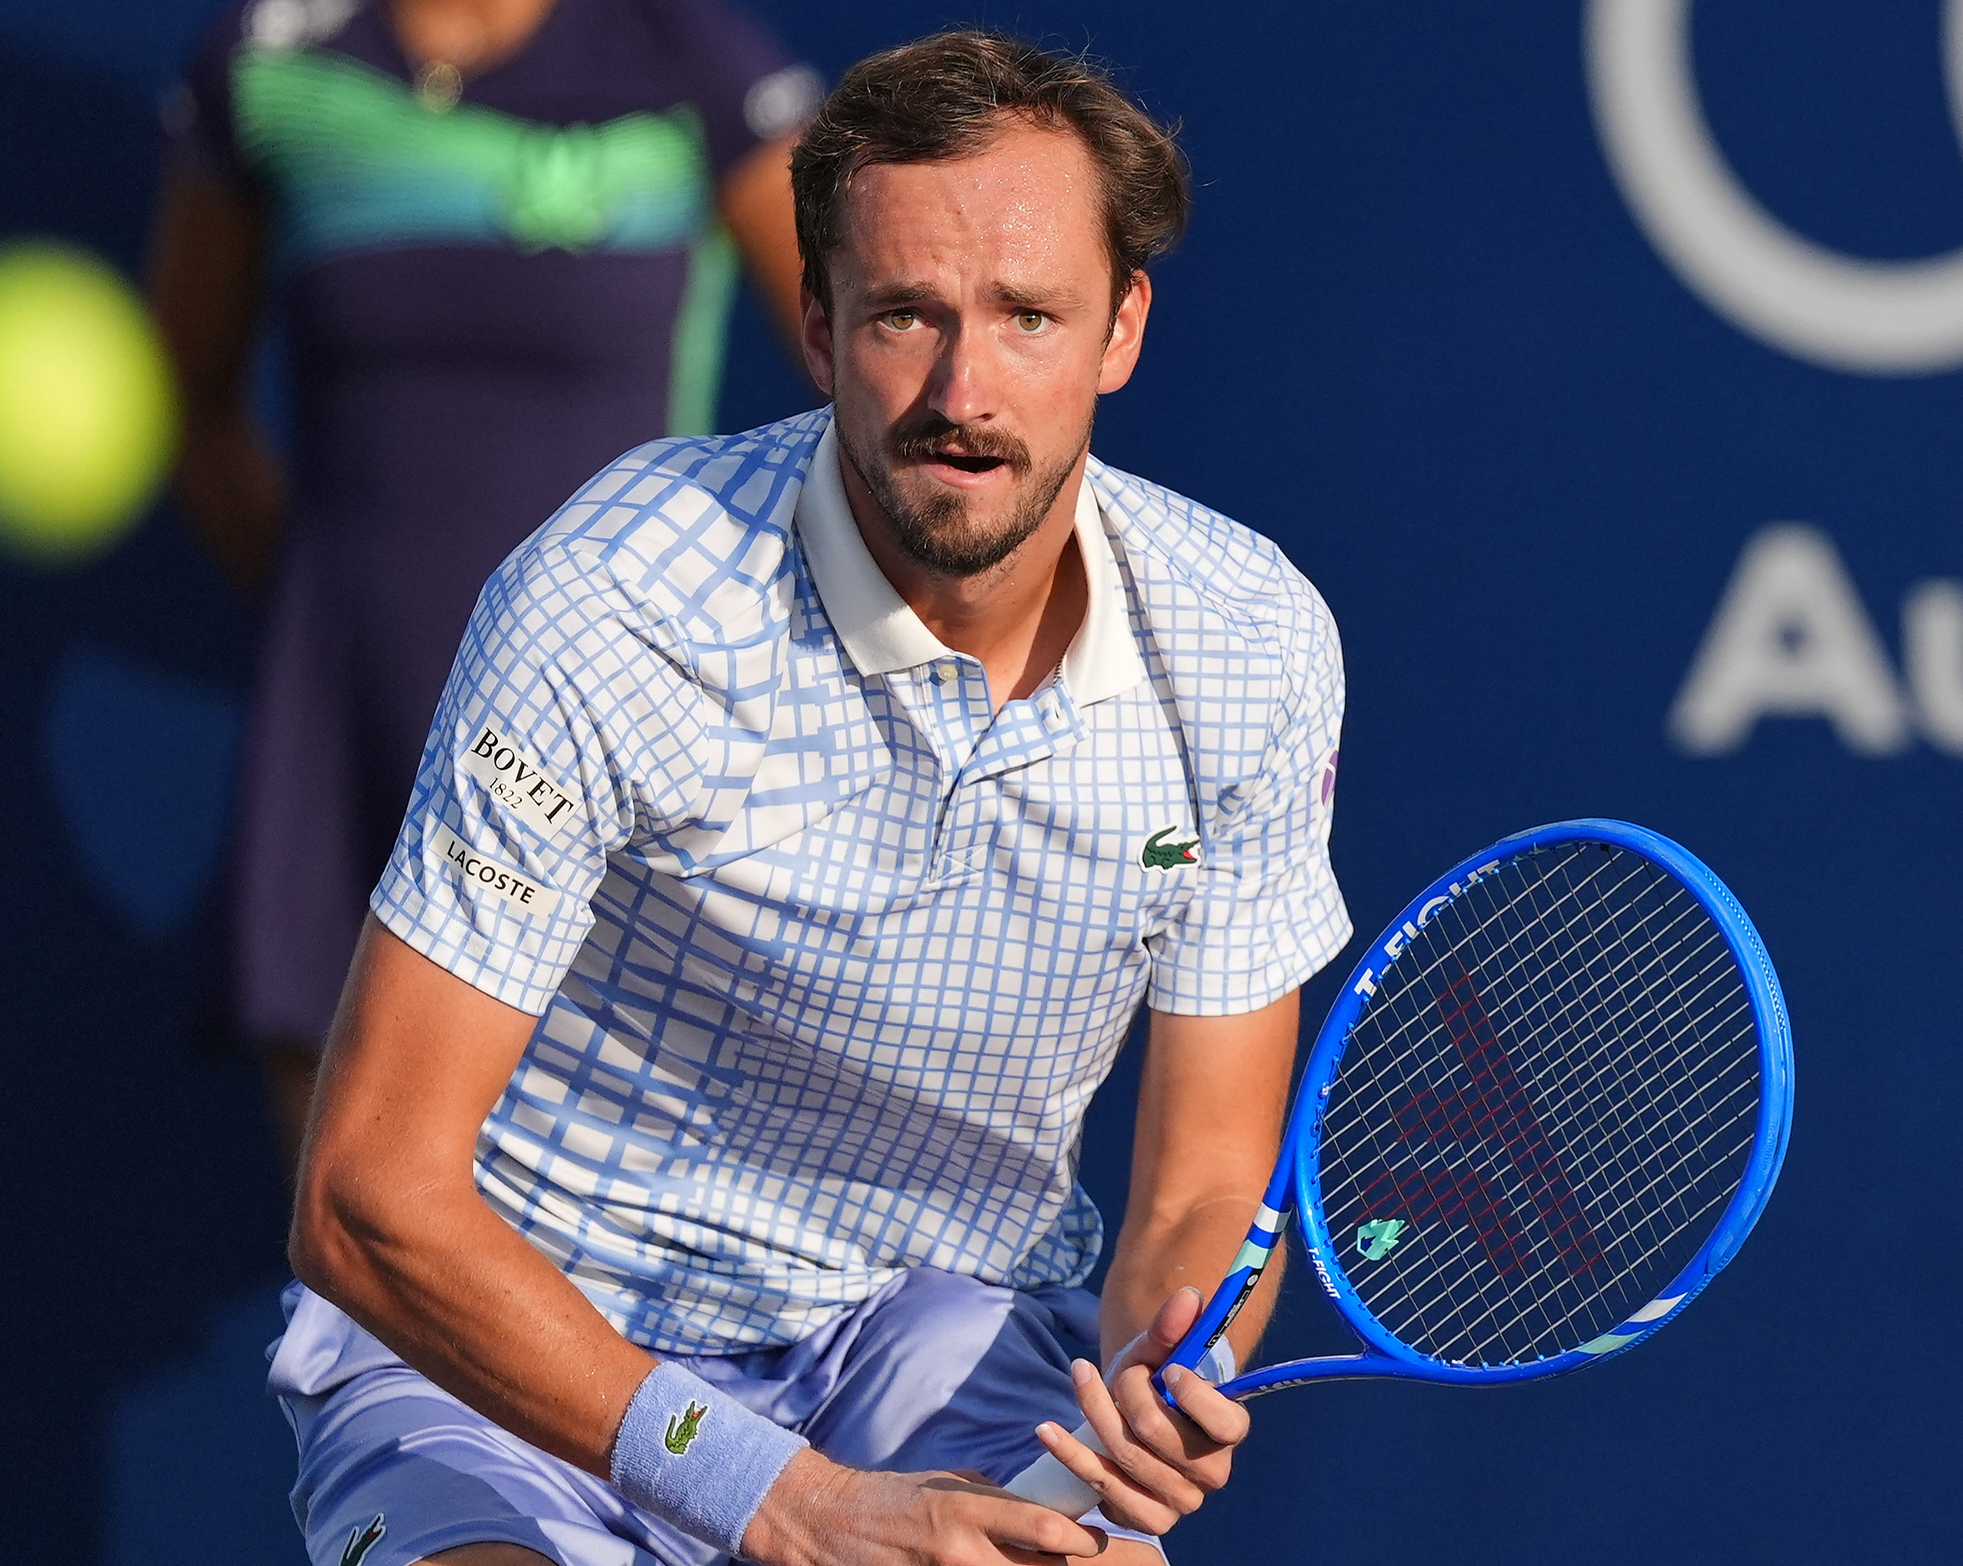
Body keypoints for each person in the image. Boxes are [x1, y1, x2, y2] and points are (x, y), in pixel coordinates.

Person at [281, 29, 1350, 1566]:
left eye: (1027, 317)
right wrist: (780, 1497)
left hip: (939, 1334)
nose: (962, 390)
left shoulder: (1250, 644)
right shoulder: (613, 606)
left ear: (1123, 328)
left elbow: (1198, 1189)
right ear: (815, 319)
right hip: (527, 1328)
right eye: (905, 314)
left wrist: (1162, 1362)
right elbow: (367, 1193)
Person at [147, 0, 818, 1150]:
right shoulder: (270, 62)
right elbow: (186, 403)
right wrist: (324, 617)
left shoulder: (686, 60)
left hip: (620, 747)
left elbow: (879, 368)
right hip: (352, 740)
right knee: (359, 1265)